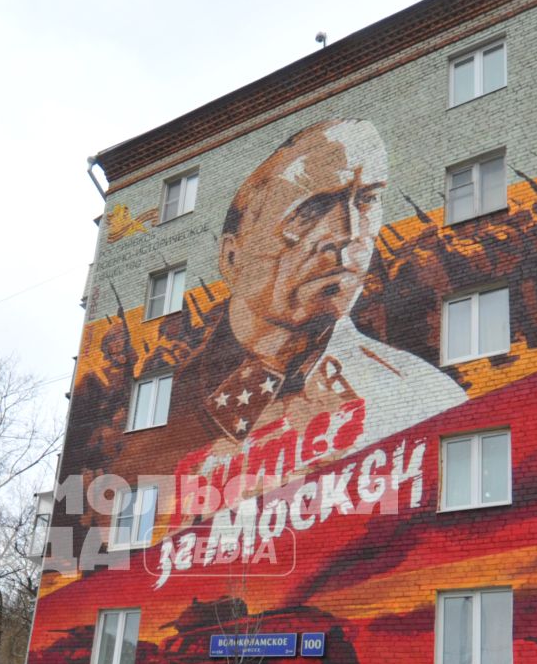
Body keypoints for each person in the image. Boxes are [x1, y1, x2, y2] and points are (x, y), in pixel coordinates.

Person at [170, 118, 469, 510]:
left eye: (366, 200)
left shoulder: (423, 396)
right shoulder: (160, 413)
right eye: (311, 209)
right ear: (232, 256)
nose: (348, 233)